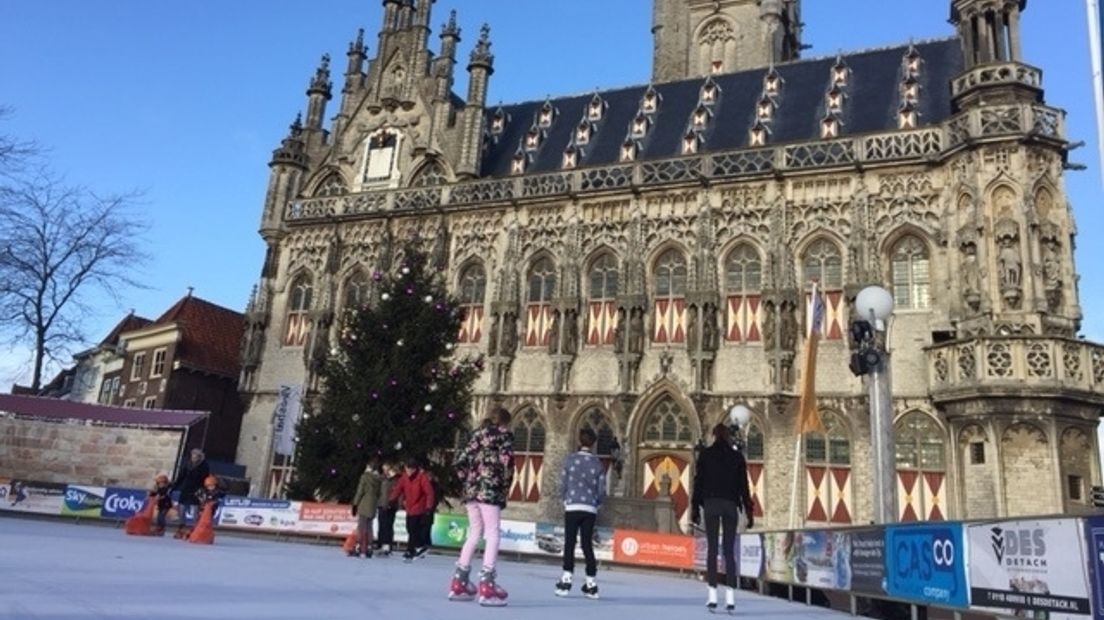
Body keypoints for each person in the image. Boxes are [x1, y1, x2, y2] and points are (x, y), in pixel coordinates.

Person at [449, 408, 514, 606]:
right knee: (493, 533)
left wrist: (467, 481)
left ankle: (459, 581)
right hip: (490, 489)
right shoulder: (505, 436)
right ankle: (487, 583)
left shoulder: (476, 434)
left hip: (471, 490)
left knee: (474, 533)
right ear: (504, 422)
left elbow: (460, 462)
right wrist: (504, 486)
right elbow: (508, 463)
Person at [691, 424, 755, 613]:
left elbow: (698, 482)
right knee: (728, 550)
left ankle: (712, 595)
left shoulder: (706, 455)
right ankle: (730, 597)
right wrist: (749, 511)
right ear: (727, 436)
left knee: (712, 549)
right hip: (729, 505)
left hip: (711, 503)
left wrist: (695, 508)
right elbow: (744, 487)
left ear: (713, 435)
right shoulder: (736, 457)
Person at [555, 428, 605, 600]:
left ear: (579, 441)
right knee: (586, 545)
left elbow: (562, 483)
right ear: (593, 443)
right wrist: (596, 504)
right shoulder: (598, 464)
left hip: (572, 505)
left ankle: (566, 579)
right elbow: (601, 490)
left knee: (569, 543)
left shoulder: (570, 460)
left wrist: (565, 499)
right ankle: (591, 582)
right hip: (589, 508)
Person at [388, 458, 435, 561]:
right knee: (409, 528)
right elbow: (398, 488)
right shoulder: (404, 477)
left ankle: (412, 549)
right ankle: (416, 547)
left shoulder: (422, 478)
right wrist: (392, 499)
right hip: (410, 507)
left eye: (411, 469)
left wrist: (428, 507)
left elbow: (429, 493)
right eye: (407, 469)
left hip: (420, 508)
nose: (409, 471)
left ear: (415, 469)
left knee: (414, 529)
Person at [171, 449, 209, 539]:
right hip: (186, 489)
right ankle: (181, 527)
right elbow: (181, 476)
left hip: (197, 490)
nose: (193, 457)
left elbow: (205, 479)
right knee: (182, 508)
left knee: (195, 510)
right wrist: (174, 487)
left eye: (196, 455)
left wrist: (205, 490)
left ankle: (195, 528)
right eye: (193, 455)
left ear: (199, 457)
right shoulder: (187, 464)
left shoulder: (204, 466)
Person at [350, 457, 383, 558]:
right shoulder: (379, 479)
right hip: (373, 505)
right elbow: (379, 493)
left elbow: (360, 491)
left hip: (364, 504)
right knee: (369, 528)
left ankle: (360, 548)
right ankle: (369, 548)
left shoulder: (365, 477)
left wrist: (355, 504)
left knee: (361, 527)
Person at [376, 462, 399, 557]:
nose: (385, 471)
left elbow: (396, 492)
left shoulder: (394, 480)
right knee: (382, 525)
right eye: (384, 469)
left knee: (388, 526)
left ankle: (387, 545)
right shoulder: (382, 479)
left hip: (391, 505)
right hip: (382, 505)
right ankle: (381, 544)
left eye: (386, 469)